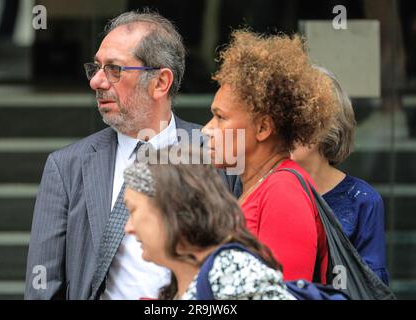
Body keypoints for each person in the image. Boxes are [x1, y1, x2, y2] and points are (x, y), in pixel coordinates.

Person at [25, 10, 238, 300]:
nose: (96, 82)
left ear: (160, 82)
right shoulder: (66, 167)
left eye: (114, 69)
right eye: (96, 67)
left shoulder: (219, 154)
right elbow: (43, 285)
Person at [202, 30, 338, 284]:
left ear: (263, 128)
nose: (206, 129)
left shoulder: (283, 192)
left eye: (220, 117)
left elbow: (283, 292)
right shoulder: (262, 185)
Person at [122, 149, 295, 300]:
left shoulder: (231, 271)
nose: (128, 228)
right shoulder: (191, 278)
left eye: (133, 210)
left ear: (172, 208)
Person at [291, 66, 389, 284]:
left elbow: (370, 287)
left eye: (303, 119)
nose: (289, 128)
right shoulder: (266, 191)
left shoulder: (362, 200)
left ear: (328, 124)